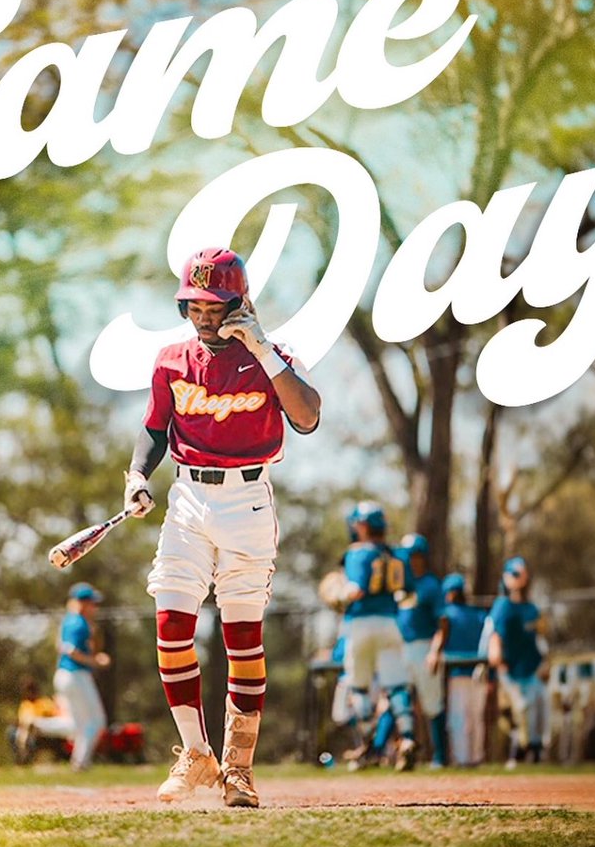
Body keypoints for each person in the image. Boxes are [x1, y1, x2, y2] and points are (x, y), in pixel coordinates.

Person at [123, 246, 321, 808]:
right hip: (187, 497)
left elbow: (306, 417)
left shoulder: (273, 356)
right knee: (170, 617)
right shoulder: (170, 359)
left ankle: (239, 767)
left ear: (241, 301)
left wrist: (259, 344)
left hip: (249, 501)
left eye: (216, 306)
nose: (205, 317)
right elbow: (155, 428)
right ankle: (196, 753)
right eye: (196, 306)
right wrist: (138, 476)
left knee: (242, 635)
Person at [339, 502, 415, 770]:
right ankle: (406, 737)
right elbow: (408, 593)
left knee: (359, 686)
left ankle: (369, 743)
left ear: (362, 525)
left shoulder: (358, 553)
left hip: (361, 623)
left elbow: (356, 590)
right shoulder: (397, 555)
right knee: (396, 685)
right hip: (390, 622)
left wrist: (337, 595)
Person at [487, 555, 550, 767]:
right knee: (521, 709)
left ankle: (535, 750)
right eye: (513, 574)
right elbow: (495, 636)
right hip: (511, 670)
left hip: (531, 669)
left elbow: (541, 639)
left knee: (540, 707)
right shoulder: (503, 606)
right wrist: (496, 657)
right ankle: (518, 753)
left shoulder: (532, 609)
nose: (518, 578)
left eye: (521, 574)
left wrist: (545, 663)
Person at [395, 533, 449, 769]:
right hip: (400, 648)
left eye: (415, 556)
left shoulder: (431, 585)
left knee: (432, 705)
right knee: (398, 700)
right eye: (408, 556)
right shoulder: (399, 585)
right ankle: (394, 752)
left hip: (424, 646)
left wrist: (435, 651)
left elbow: (443, 623)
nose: (411, 560)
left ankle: (440, 757)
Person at [53, 582, 111, 772]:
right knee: (96, 720)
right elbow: (71, 651)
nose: (95, 607)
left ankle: (41, 727)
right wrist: (96, 661)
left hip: (64, 674)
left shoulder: (69, 620)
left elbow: (59, 645)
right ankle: (81, 762)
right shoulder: (79, 623)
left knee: (78, 724)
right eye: (92, 603)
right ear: (83, 603)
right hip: (76, 674)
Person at [441, 573, 488, 766]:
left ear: (451, 594)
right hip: (479, 674)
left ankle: (461, 758)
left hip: (458, 674)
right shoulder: (480, 615)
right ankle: (476, 757)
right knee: (476, 718)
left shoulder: (447, 615)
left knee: (459, 719)